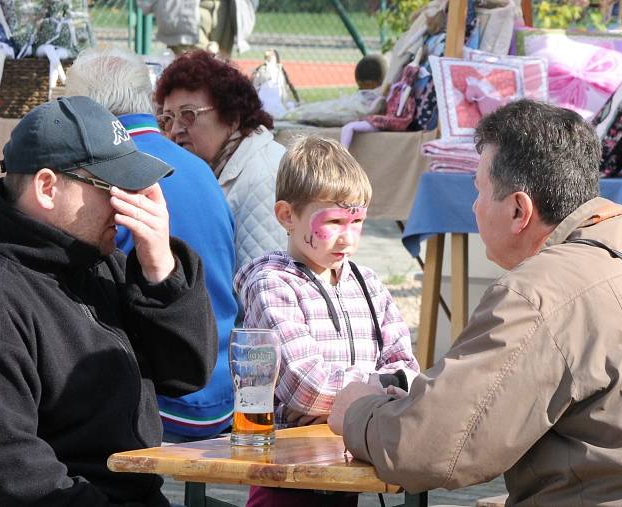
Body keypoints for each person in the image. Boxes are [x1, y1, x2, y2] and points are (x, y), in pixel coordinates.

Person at [329, 99, 622, 504]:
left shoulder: (542, 289)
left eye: (479, 191)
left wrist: (357, 410)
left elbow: (427, 449)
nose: (474, 207)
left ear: (518, 209)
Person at [0, 96, 216, 506]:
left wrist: (160, 267)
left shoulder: (96, 263)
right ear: (47, 188)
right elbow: (3, 471)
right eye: (115, 187)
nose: (130, 203)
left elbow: (187, 374)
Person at [234, 135, 420, 507]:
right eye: (334, 221)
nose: (348, 238)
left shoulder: (368, 284)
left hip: (351, 462)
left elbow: (406, 368)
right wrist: (383, 386)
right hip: (287, 475)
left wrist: (388, 384)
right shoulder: (271, 284)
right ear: (287, 216)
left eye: (358, 222)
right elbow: (306, 385)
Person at [65, 47, 238, 441]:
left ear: (84, 108)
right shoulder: (198, 167)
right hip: (225, 392)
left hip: (164, 401)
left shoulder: (103, 172)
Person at [155, 50, 287, 270]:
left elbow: (263, 287)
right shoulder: (214, 168)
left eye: (189, 114)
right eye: (167, 120)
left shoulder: (264, 178)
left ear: (232, 117)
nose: (176, 130)